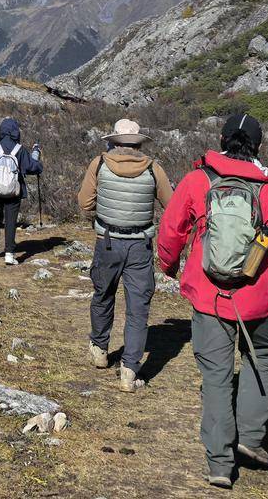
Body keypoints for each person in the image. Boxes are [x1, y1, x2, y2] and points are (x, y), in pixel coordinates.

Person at [155, 112, 268, 489]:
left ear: (223, 140)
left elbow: (171, 230)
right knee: (260, 362)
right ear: (258, 146)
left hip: (210, 298)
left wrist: (168, 265)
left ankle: (219, 463)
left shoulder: (198, 180)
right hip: (259, 301)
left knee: (216, 378)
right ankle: (250, 439)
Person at [77, 118, 174, 393]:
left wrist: (103, 209)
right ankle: (129, 370)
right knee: (137, 308)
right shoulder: (153, 169)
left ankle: (99, 349)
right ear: (138, 143)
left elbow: (84, 202)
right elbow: (171, 204)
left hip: (107, 241)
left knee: (103, 294)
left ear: (114, 141)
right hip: (140, 245)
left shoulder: (99, 164)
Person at [0, 116, 40, 264]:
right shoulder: (19, 149)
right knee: (10, 221)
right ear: (16, 131)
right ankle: (9, 253)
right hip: (14, 191)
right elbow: (31, 167)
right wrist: (38, 161)